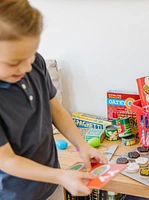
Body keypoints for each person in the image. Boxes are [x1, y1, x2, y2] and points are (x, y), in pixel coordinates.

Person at [0, 1, 107, 199]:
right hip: (16, 194)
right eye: (14, 62)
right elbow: (6, 161)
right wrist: (61, 176)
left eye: (30, 55)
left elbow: (56, 111)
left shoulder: (36, 64)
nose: (25, 68)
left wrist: (81, 144)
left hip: (52, 182)